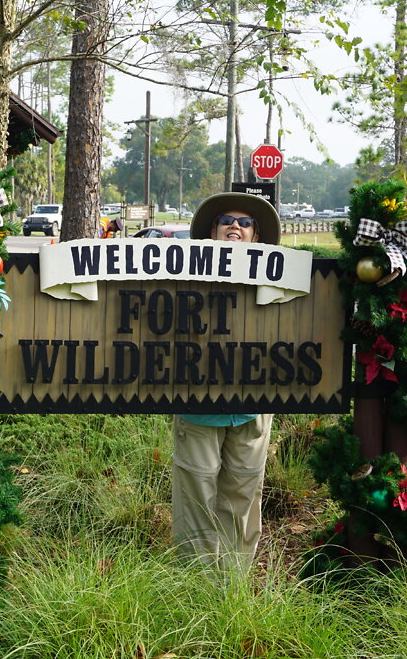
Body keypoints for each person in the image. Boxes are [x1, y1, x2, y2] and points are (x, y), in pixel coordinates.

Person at [171, 192, 281, 570]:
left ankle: (234, 588)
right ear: (213, 230)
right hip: (197, 408)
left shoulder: (275, 279)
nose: (236, 226)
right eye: (226, 220)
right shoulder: (183, 274)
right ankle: (198, 592)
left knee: (244, 498)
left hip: (252, 408)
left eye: (245, 222)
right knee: (196, 500)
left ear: (255, 235)